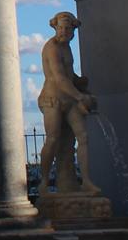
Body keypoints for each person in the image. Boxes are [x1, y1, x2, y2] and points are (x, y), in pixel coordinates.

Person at [38, 11, 99, 194]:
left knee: (83, 137)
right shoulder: (52, 47)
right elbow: (58, 78)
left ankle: (87, 181)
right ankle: (44, 182)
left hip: (69, 98)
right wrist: (80, 97)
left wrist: (79, 81)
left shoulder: (67, 47)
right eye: (61, 28)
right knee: (53, 139)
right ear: (55, 28)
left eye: (68, 28)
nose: (64, 31)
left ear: (73, 30)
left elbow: (68, 75)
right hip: (52, 99)